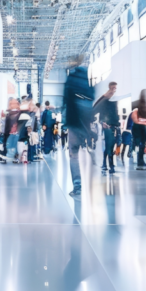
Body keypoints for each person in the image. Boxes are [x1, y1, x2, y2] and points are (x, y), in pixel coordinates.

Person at [63, 56, 95, 196]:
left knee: (74, 154)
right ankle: (93, 184)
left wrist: (67, 121)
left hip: (74, 120)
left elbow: (66, 100)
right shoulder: (87, 80)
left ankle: (78, 186)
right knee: (89, 150)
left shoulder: (70, 79)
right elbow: (92, 97)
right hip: (86, 120)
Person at [94, 82, 120, 174]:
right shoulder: (105, 99)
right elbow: (96, 109)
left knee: (110, 145)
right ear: (109, 88)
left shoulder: (114, 99)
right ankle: (111, 165)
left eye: (115, 88)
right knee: (110, 145)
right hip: (108, 125)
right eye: (113, 88)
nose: (114, 90)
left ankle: (105, 164)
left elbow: (115, 112)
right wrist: (102, 122)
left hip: (114, 125)